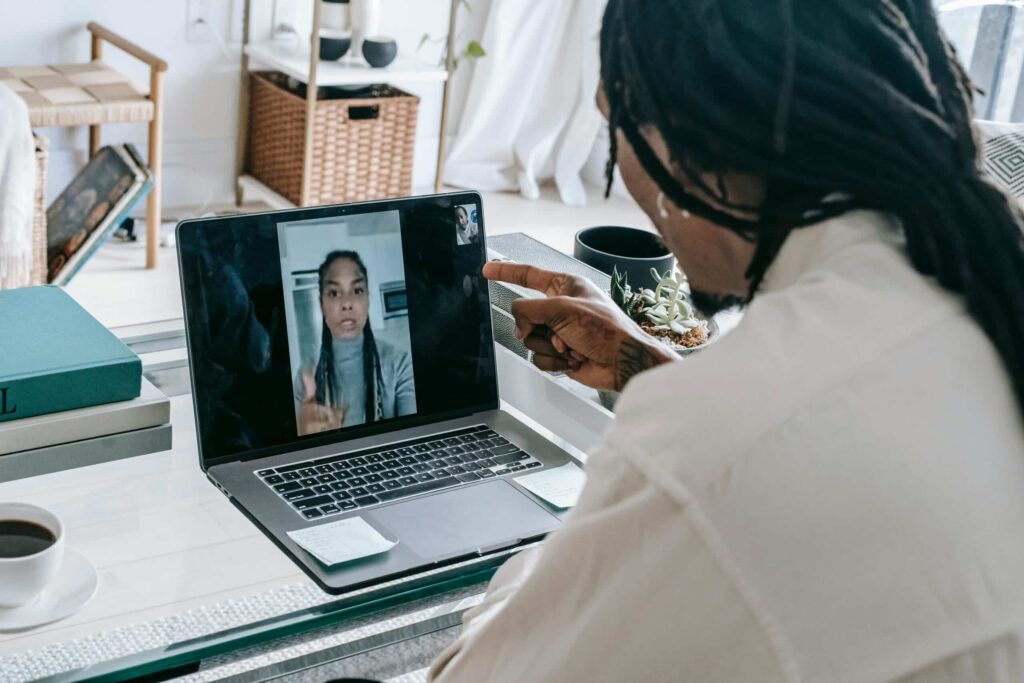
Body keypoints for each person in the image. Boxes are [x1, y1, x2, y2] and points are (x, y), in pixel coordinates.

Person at [428, 1, 1024, 682]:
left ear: (690, 148)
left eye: (614, 118)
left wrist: (521, 578)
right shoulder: (979, 280)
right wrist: (654, 368)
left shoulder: (712, 437)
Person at [296, 250, 415, 436]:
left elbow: (412, 436)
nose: (347, 303)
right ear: (321, 305)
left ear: (368, 298)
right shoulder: (307, 375)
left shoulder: (400, 364)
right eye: (334, 293)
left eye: (357, 290)